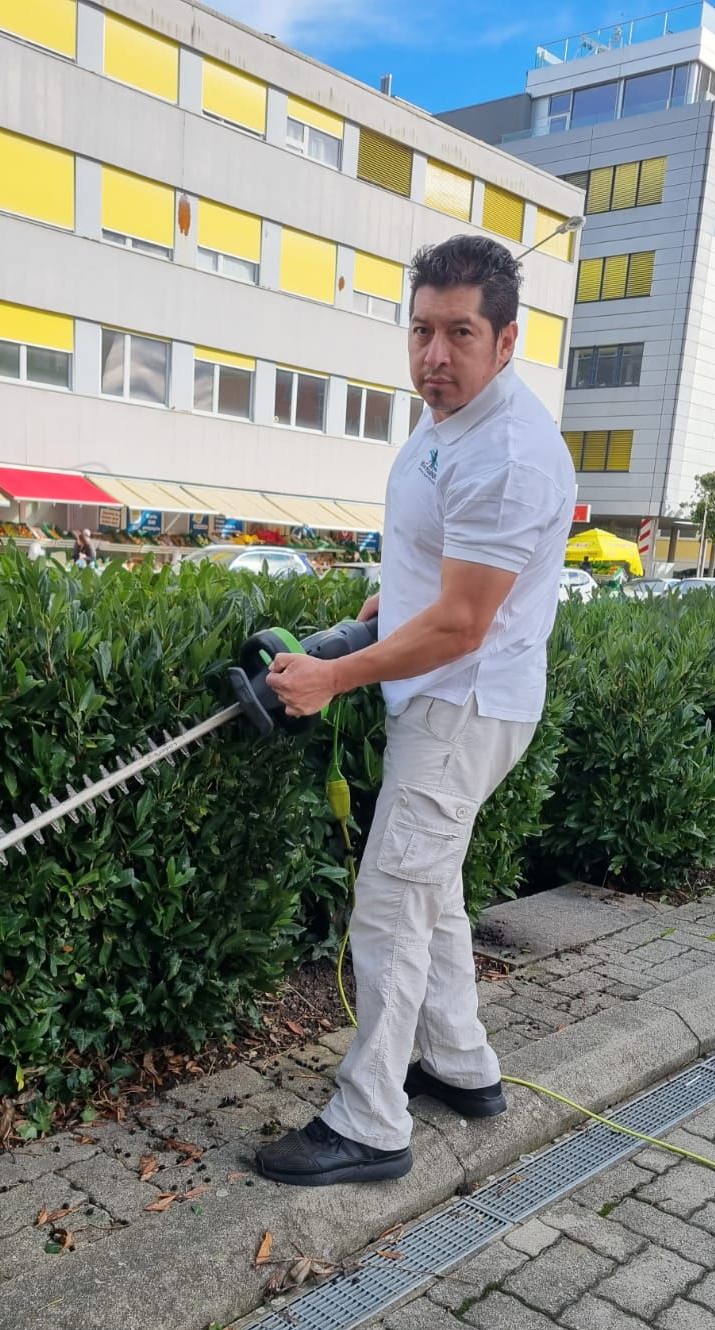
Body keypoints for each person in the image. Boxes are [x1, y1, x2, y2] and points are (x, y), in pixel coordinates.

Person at [256, 234, 576, 1187]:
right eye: (422, 331)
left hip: (460, 705)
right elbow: (442, 570)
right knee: (429, 892)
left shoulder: (510, 452)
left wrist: (328, 679)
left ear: (506, 339)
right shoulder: (449, 421)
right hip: (442, 695)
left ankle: (371, 1121)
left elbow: (464, 624)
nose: (434, 356)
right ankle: (462, 1066)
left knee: (391, 904)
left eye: (460, 334)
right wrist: (384, 603)